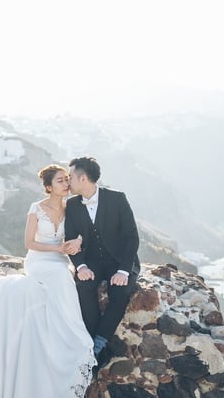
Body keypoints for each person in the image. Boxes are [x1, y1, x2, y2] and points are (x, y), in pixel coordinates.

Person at [0, 164, 96, 398]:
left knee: (62, 274)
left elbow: (85, 232)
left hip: (60, 261)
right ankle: (75, 335)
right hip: (39, 260)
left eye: (67, 179)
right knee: (60, 276)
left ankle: (66, 342)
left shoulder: (73, 207)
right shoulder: (36, 208)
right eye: (60, 180)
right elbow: (29, 243)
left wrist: (77, 242)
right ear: (49, 187)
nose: (66, 183)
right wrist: (57, 248)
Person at [65, 156, 140, 373]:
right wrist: (81, 267)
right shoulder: (72, 205)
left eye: (70, 177)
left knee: (120, 292)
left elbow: (132, 237)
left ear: (83, 178)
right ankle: (92, 343)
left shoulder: (117, 198)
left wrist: (124, 270)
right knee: (83, 287)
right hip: (92, 262)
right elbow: (70, 239)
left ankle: (97, 345)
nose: (68, 182)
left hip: (119, 260)